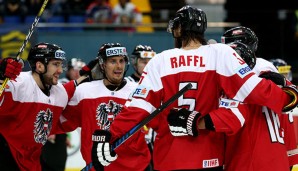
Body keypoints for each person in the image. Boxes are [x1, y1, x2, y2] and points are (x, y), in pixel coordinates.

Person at [90, 5, 298, 171]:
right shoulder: (220, 54)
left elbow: (138, 108)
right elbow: (253, 90)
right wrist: (288, 97)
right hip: (209, 157)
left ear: (179, 29)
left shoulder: (159, 61)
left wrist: (108, 135)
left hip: (168, 158)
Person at [57, 43, 150, 171]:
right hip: (98, 167)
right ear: (102, 64)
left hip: (135, 167)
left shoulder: (138, 91)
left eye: (121, 61)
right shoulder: (84, 91)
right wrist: (79, 80)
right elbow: (55, 105)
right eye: (113, 61)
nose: (119, 66)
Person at [0, 42, 88, 171]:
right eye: (55, 64)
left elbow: (67, 91)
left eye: (61, 64)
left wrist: (86, 77)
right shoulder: (17, 85)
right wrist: (1, 77)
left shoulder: (59, 92)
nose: (60, 70)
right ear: (40, 66)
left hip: (31, 162)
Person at [221, 26, 298, 170]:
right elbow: (287, 112)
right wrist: (290, 156)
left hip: (245, 154)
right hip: (276, 153)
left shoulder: (230, 71)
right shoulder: (267, 67)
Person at [41, 58, 86, 171]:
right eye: (74, 69)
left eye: (80, 70)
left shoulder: (80, 86)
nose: (77, 73)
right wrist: (50, 127)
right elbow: (51, 105)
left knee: (59, 163)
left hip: (58, 131)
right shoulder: (61, 84)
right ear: (68, 70)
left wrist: (63, 135)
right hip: (49, 130)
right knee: (52, 163)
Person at [125, 44, 157, 171]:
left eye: (150, 62)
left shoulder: (158, 83)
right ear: (134, 63)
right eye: (144, 62)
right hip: (132, 142)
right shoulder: (126, 84)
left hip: (154, 140)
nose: (147, 65)